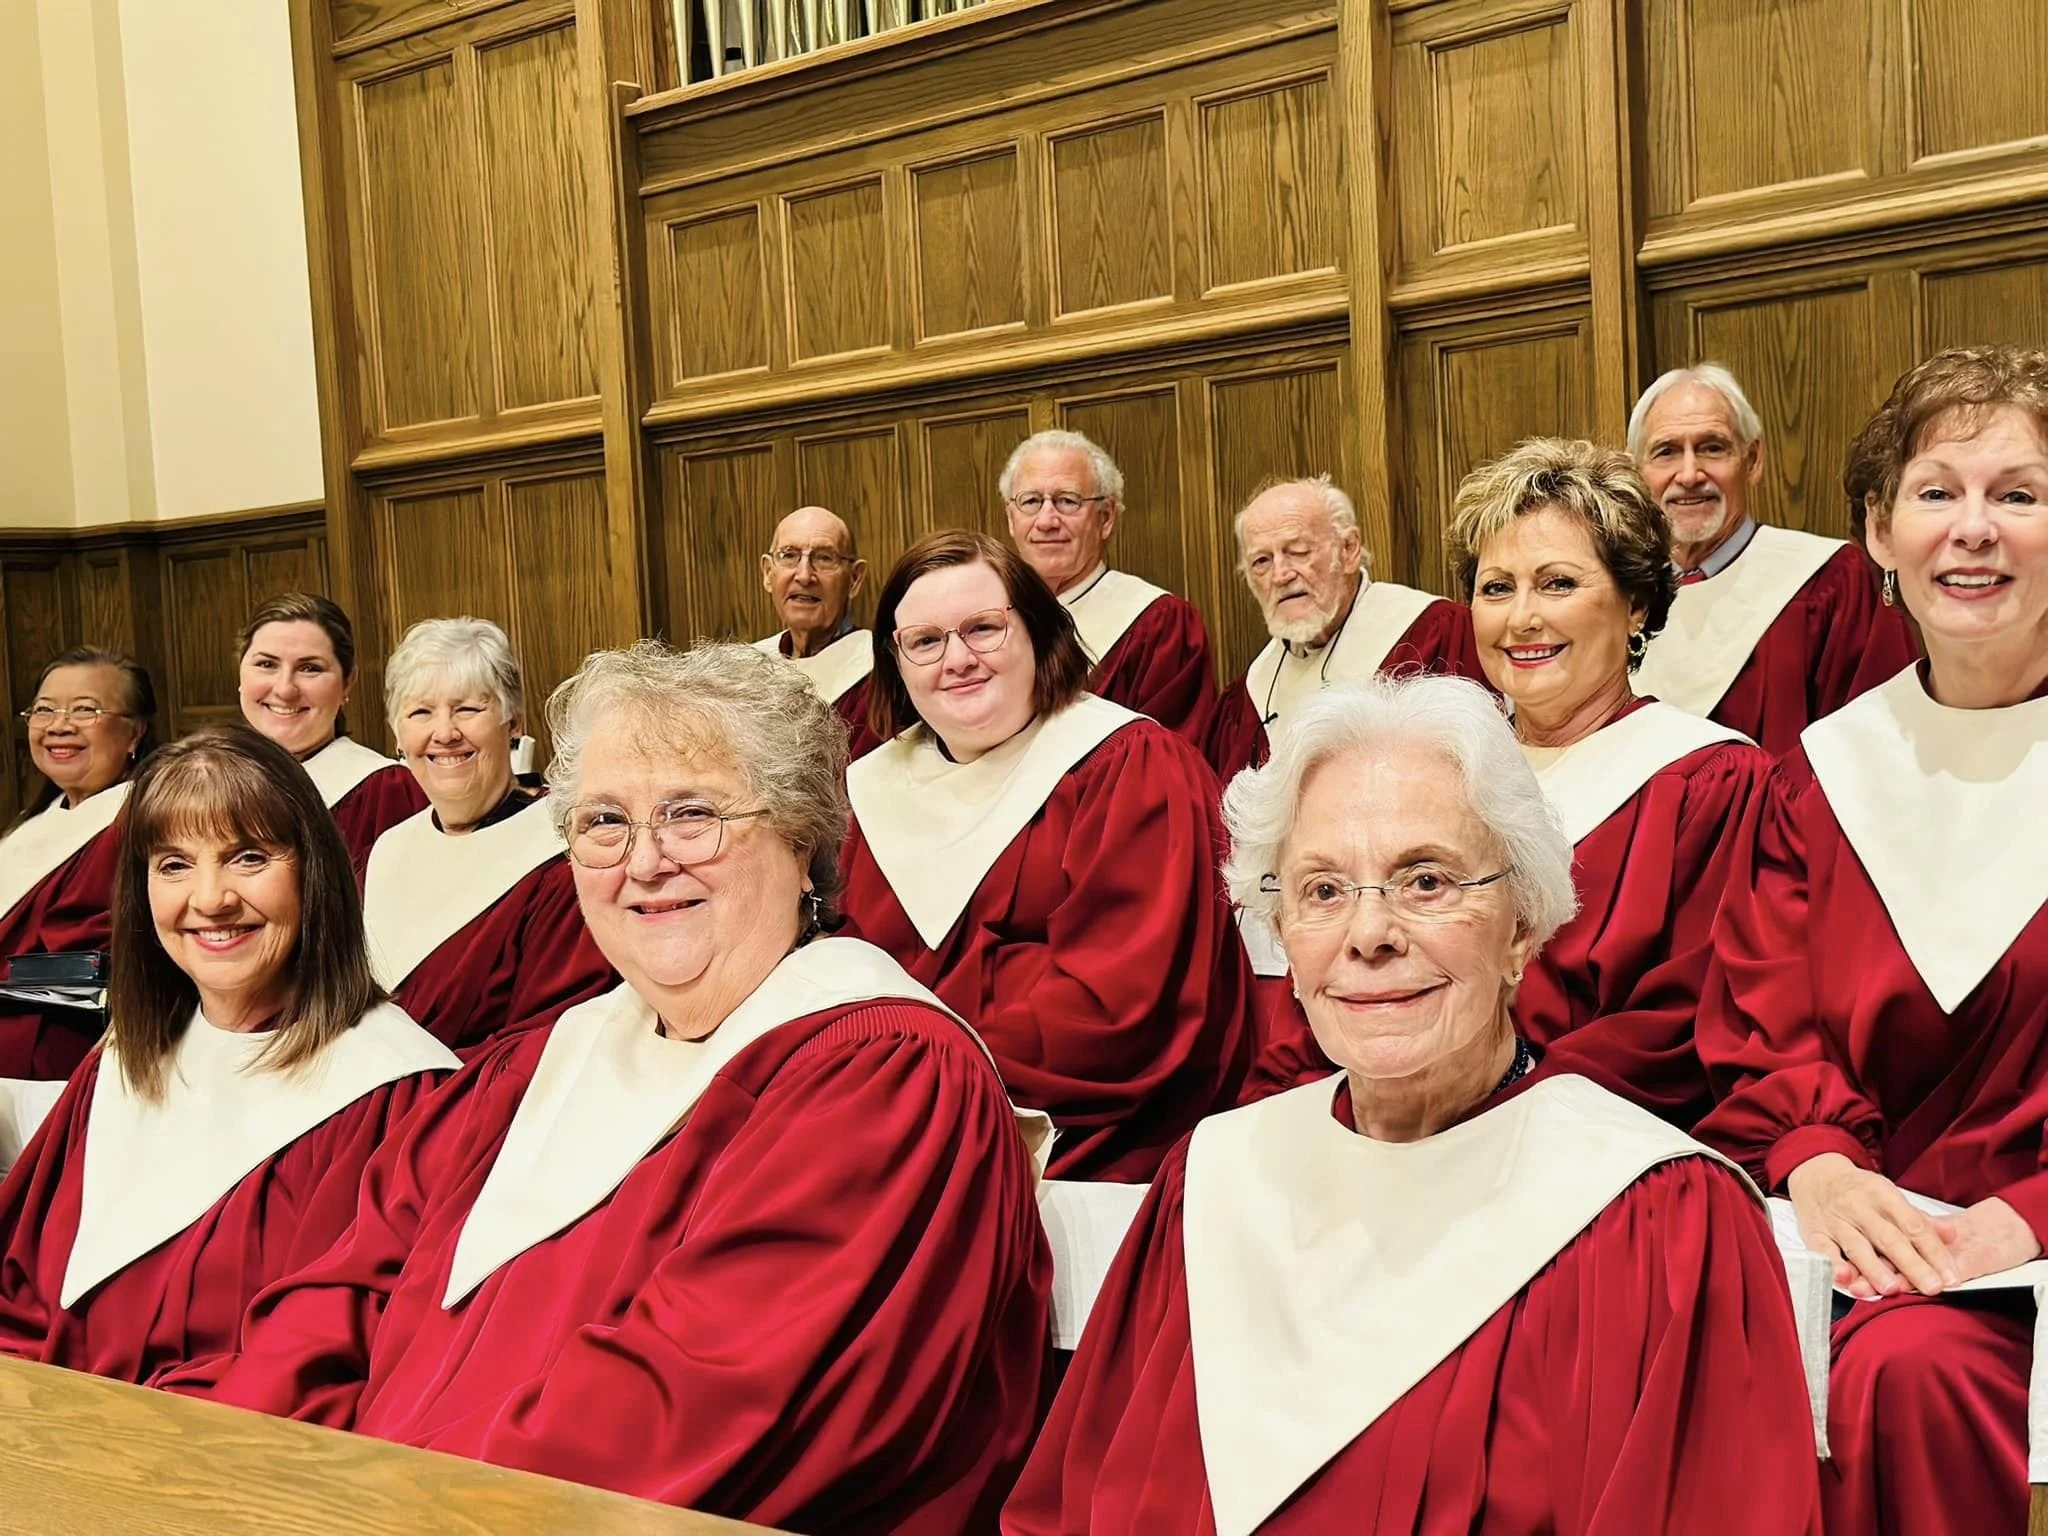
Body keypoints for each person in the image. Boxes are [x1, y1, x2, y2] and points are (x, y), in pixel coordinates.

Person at [159, 641, 1052, 1536]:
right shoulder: (529, 1069)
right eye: (604, 822)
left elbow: (674, 1415)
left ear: (800, 835)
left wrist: (376, 1507)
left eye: (693, 815)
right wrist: (229, 1470)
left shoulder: (883, 1080)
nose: (646, 861)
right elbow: (345, 1295)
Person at [1004, 676, 1823, 1536]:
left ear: (1521, 928)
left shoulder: (1659, 1218)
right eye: (1323, 891)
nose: (1369, 935)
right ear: (1282, 937)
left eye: (1425, 881)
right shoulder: (1212, 1183)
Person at [1694, 346, 2048, 1536]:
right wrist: (1820, 1164)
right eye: (1935, 492)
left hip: (2013, 1263)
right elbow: (1763, 1019)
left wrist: (2029, 1213)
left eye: (2016, 494)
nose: (1972, 529)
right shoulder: (1819, 779)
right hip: (1847, 1232)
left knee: (1908, 1372)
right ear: (1878, 532)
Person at [1245, 441, 1769, 1127]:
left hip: (1576, 1140)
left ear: (1636, 603)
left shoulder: (1710, 782)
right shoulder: (1430, 770)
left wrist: (1471, 1112)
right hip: (1377, 1125)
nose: (1522, 618)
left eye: (1558, 583)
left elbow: (1677, 1030)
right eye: (1497, 588)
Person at [0, 726, 457, 1384]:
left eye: (248, 857)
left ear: (312, 872)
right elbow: (20, 1292)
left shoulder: (399, 1098)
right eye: (174, 865)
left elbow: (324, 1371)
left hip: (211, 1445)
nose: (210, 899)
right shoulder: (122, 1063)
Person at [838, 531, 1253, 1181]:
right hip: (886, 1110)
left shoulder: (1130, 768)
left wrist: (905, 1069)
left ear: (1036, 629)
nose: (958, 660)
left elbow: (1119, 1012)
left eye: (983, 629)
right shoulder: (868, 791)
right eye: (925, 641)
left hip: (1085, 1140)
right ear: (895, 661)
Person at [1628, 364, 1918, 754]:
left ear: (1752, 460)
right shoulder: (1617, 599)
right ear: (1637, 471)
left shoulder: (1833, 581)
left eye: (1713, 448)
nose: (1690, 474)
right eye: (1666, 452)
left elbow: (1876, 745)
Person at [363, 618, 612, 1055]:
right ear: (397, 735)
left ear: (512, 723)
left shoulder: (563, 860)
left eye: (467, 709)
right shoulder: (382, 854)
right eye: (421, 712)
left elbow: (545, 1044)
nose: (445, 733)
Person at [1201, 475, 1484, 785]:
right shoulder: (1250, 695)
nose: (1280, 575)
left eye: (1298, 551)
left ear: (1349, 549)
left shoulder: (1434, 634)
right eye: (1261, 561)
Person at [0, 648, 155, 1078]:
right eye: (44, 710)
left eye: (85, 710)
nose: (59, 725)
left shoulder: (140, 823)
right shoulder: (29, 825)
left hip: (64, 1057)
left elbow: (94, 964)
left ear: (134, 733)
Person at [1003, 430, 1215, 738]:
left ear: (1106, 518)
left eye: (1067, 501)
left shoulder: (1161, 626)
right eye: (1031, 501)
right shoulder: (983, 621)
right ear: (1011, 519)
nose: (1046, 521)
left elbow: (1168, 755)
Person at [236, 592, 425, 873]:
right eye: (266, 664)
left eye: (310, 668)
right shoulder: (202, 783)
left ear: (348, 683)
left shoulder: (386, 794)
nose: (285, 689)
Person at [754, 505, 877, 752]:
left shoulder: (880, 676)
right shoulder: (747, 669)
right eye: (789, 556)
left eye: (824, 558)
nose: (804, 575)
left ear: (854, 579)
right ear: (768, 573)